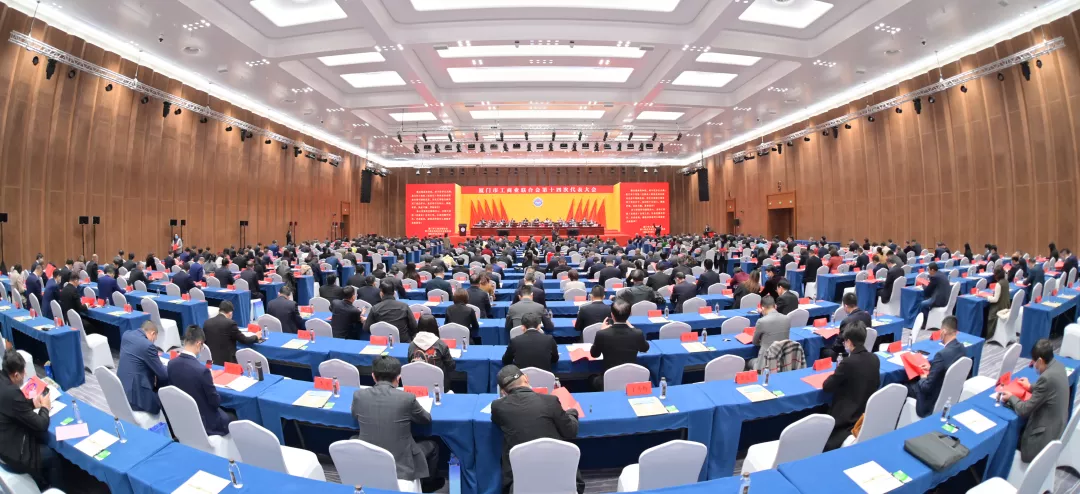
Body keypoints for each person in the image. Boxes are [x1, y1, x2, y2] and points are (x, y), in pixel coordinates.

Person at [351, 356, 442, 492]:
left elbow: (354, 414)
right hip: (402, 463)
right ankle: (428, 484)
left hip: (369, 458)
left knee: (352, 438)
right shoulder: (407, 398)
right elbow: (425, 419)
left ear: (373, 376)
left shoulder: (358, 396)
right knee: (433, 446)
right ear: (398, 378)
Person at [490, 365, 582, 494]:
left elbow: (497, 421)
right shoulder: (550, 401)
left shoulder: (497, 406)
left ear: (503, 391)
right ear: (526, 378)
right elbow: (571, 431)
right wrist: (572, 413)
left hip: (519, 484)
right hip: (562, 478)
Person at [0, 350, 61, 491]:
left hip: (3, 446)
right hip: (13, 454)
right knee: (52, 456)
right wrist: (45, 407)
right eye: (23, 373)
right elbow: (41, 425)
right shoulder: (12, 393)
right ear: (16, 375)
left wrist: (32, 403)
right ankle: (50, 488)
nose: (25, 375)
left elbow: (14, 406)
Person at [1000, 338, 1069, 463]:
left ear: (1040, 361)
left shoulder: (1046, 378)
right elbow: (1048, 389)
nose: (1032, 364)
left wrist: (1011, 397)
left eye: (1033, 361)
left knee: (1006, 439)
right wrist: (1030, 387)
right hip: (1056, 429)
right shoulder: (1059, 366)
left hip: (1041, 440)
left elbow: (1024, 410)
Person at [822, 320, 880, 450]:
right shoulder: (874, 359)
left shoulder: (848, 363)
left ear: (848, 341)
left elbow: (827, 386)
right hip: (864, 413)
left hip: (847, 418)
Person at [167, 325, 233, 436]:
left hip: (183, 417)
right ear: (198, 343)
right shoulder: (202, 371)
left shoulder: (171, 364)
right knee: (232, 415)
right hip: (206, 422)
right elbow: (215, 402)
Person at [907, 316, 964, 418]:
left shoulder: (941, 355)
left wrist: (923, 377)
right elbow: (948, 369)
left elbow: (926, 387)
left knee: (904, 385)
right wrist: (932, 368)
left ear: (943, 332)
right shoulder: (962, 349)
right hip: (948, 394)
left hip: (930, 400)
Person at [589, 299, 649, 390]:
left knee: (591, 378)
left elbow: (594, 354)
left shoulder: (602, 334)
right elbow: (645, 348)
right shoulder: (637, 333)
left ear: (612, 315)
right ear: (630, 314)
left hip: (608, 379)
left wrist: (602, 330)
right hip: (631, 378)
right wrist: (633, 328)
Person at [118, 320, 169, 415]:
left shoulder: (126, 335)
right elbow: (163, 375)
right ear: (153, 333)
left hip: (120, 390)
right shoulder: (148, 346)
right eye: (154, 339)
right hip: (136, 398)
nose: (153, 342)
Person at [407, 315, 455, 389]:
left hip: (418, 386)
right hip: (439, 386)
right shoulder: (441, 345)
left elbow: (410, 363)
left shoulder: (412, 345)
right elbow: (451, 366)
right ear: (435, 327)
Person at [752, 296, 790, 366]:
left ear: (762, 308)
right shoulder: (787, 318)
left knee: (747, 361)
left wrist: (764, 342)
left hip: (765, 361)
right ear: (775, 306)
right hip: (783, 359)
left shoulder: (761, 321)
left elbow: (755, 342)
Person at [918, 263, 950, 329]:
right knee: (927, 299)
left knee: (923, 304)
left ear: (932, 270)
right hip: (946, 298)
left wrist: (923, 287)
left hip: (940, 300)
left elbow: (928, 290)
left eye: (929, 270)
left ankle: (925, 323)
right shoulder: (941, 274)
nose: (928, 272)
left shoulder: (934, 277)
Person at [984, 267, 1010, 340]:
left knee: (988, 312)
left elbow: (995, 299)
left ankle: (990, 336)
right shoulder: (1006, 281)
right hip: (1006, 305)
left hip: (999, 307)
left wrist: (987, 297)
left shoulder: (999, 284)